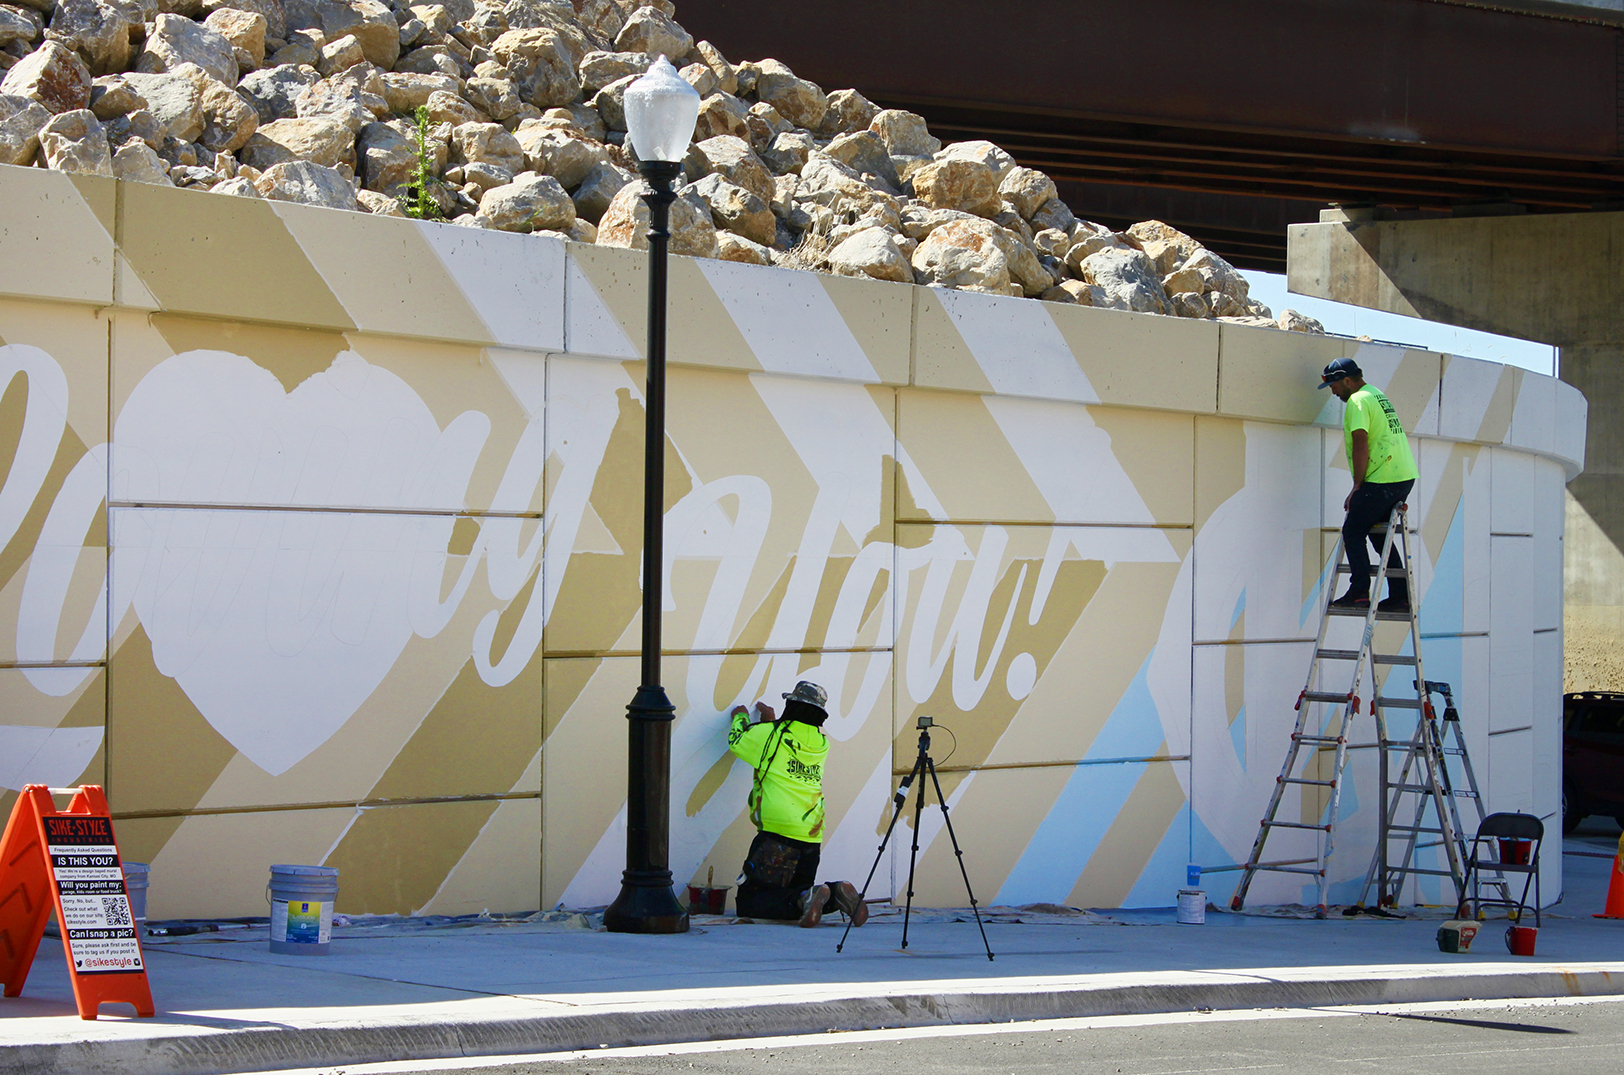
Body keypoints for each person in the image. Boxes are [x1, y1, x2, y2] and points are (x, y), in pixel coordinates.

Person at [727, 680, 868, 928]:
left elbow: (738, 741)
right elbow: (780, 745)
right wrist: (770, 722)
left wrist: (739, 718)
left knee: (750, 902)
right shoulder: (820, 743)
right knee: (795, 895)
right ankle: (835, 895)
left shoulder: (772, 734)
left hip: (776, 836)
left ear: (791, 705)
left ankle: (811, 896)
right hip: (811, 835)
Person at [1319, 357, 1417, 612]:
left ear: (1348, 381)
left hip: (1382, 479)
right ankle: (1400, 596)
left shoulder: (1358, 401)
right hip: (1402, 477)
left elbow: (1361, 443)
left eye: (1334, 385)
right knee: (1378, 533)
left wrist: (1357, 487)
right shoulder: (1377, 394)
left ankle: (1359, 591)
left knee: (1352, 530)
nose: (1333, 391)